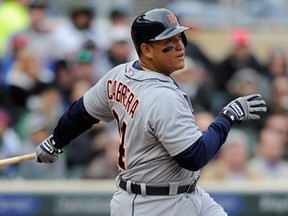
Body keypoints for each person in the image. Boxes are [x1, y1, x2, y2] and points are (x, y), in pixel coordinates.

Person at [34, 8, 267, 216]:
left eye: (180, 37)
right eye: (169, 40)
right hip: (152, 205)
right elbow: (194, 156)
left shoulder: (119, 74)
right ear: (146, 49)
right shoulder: (162, 97)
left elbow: (80, 113)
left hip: (188, 194)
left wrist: (56, 141)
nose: (179, 46)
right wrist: (227, 118)